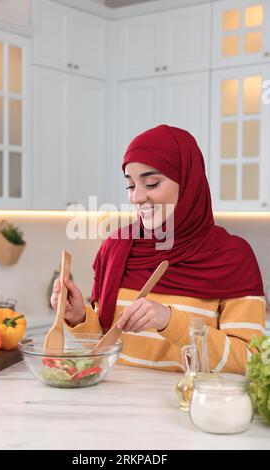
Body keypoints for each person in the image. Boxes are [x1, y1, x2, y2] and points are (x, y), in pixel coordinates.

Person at [51, 125, 266, 375]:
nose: (136, 198)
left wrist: (169, 321)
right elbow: (107, 341)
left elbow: (250, 362)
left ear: (188, 182)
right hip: (111, 405)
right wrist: (79, 317)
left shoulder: (232, 257)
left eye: (151, 183)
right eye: (131, 186)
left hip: (186, 407)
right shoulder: (115, 246)